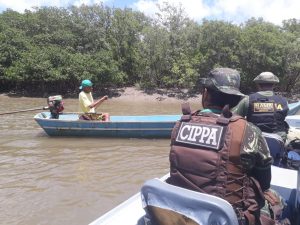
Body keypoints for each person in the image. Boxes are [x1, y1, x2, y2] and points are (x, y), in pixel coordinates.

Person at [167, 68, 288, 225]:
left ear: (205, 93)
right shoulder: (248, 130)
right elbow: (264, 182)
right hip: (230, 218)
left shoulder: (180, 125)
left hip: (183, 213)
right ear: (235, 99)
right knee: (278, 199)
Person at [233, 72, 289, 143]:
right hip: (278, 141)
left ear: (258, 84)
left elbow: (233, 117)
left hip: (254, 142)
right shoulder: (284, 101)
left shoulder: (248, 99)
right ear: (274, 85)